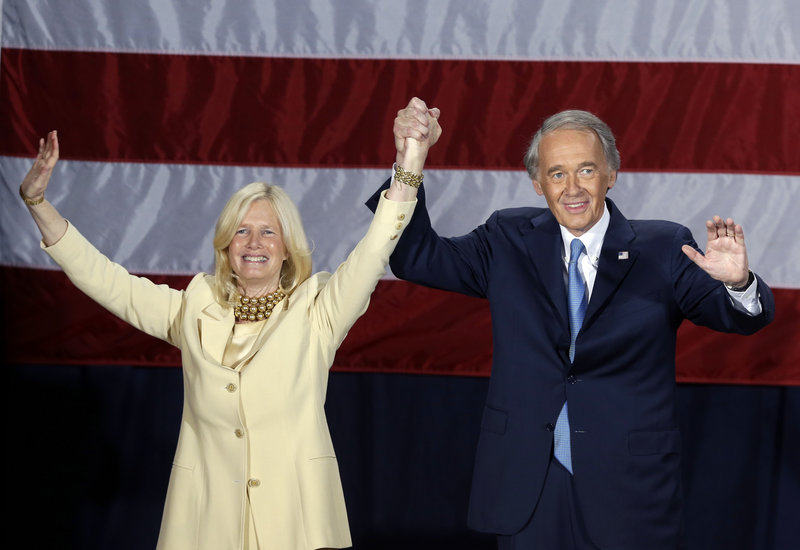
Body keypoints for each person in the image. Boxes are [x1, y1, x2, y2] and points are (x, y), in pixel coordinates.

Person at [367, 98, 775, 549]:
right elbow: (414, 257)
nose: (572, 188)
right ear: (538, 184)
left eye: (586, 169)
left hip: (627, 487)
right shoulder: (506, 238)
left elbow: (737, 318)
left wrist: (739, 284)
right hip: (529, 483)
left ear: (611, 175)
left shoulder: (662, 247)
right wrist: (411, 157)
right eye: (556, 173)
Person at [19, 131, 417, 550]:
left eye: (268, 232)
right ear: (226, 245)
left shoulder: (318, 309)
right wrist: (38, 204)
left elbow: (373, 252)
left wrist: (411, 162)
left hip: (297, 518)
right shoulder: (194, 307)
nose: (254, 243)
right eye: (242, 231)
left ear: (287, 248)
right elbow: (108, 281)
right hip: (204, 521)